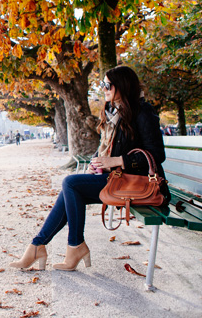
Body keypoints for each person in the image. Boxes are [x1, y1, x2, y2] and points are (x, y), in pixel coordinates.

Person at [9, 65, 167, 271]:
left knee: (71, 184)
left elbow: (157, 155)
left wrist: (119, 161)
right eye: (102, 84)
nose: (104, 88)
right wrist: (95, 163)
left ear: (123, 85)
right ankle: (41, 245)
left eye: (107, 84)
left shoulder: (142, 112)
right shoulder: (114, 112)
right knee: (71, 189)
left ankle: (65, 246)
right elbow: (106, 148)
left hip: (138, 184)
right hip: (117, 179)